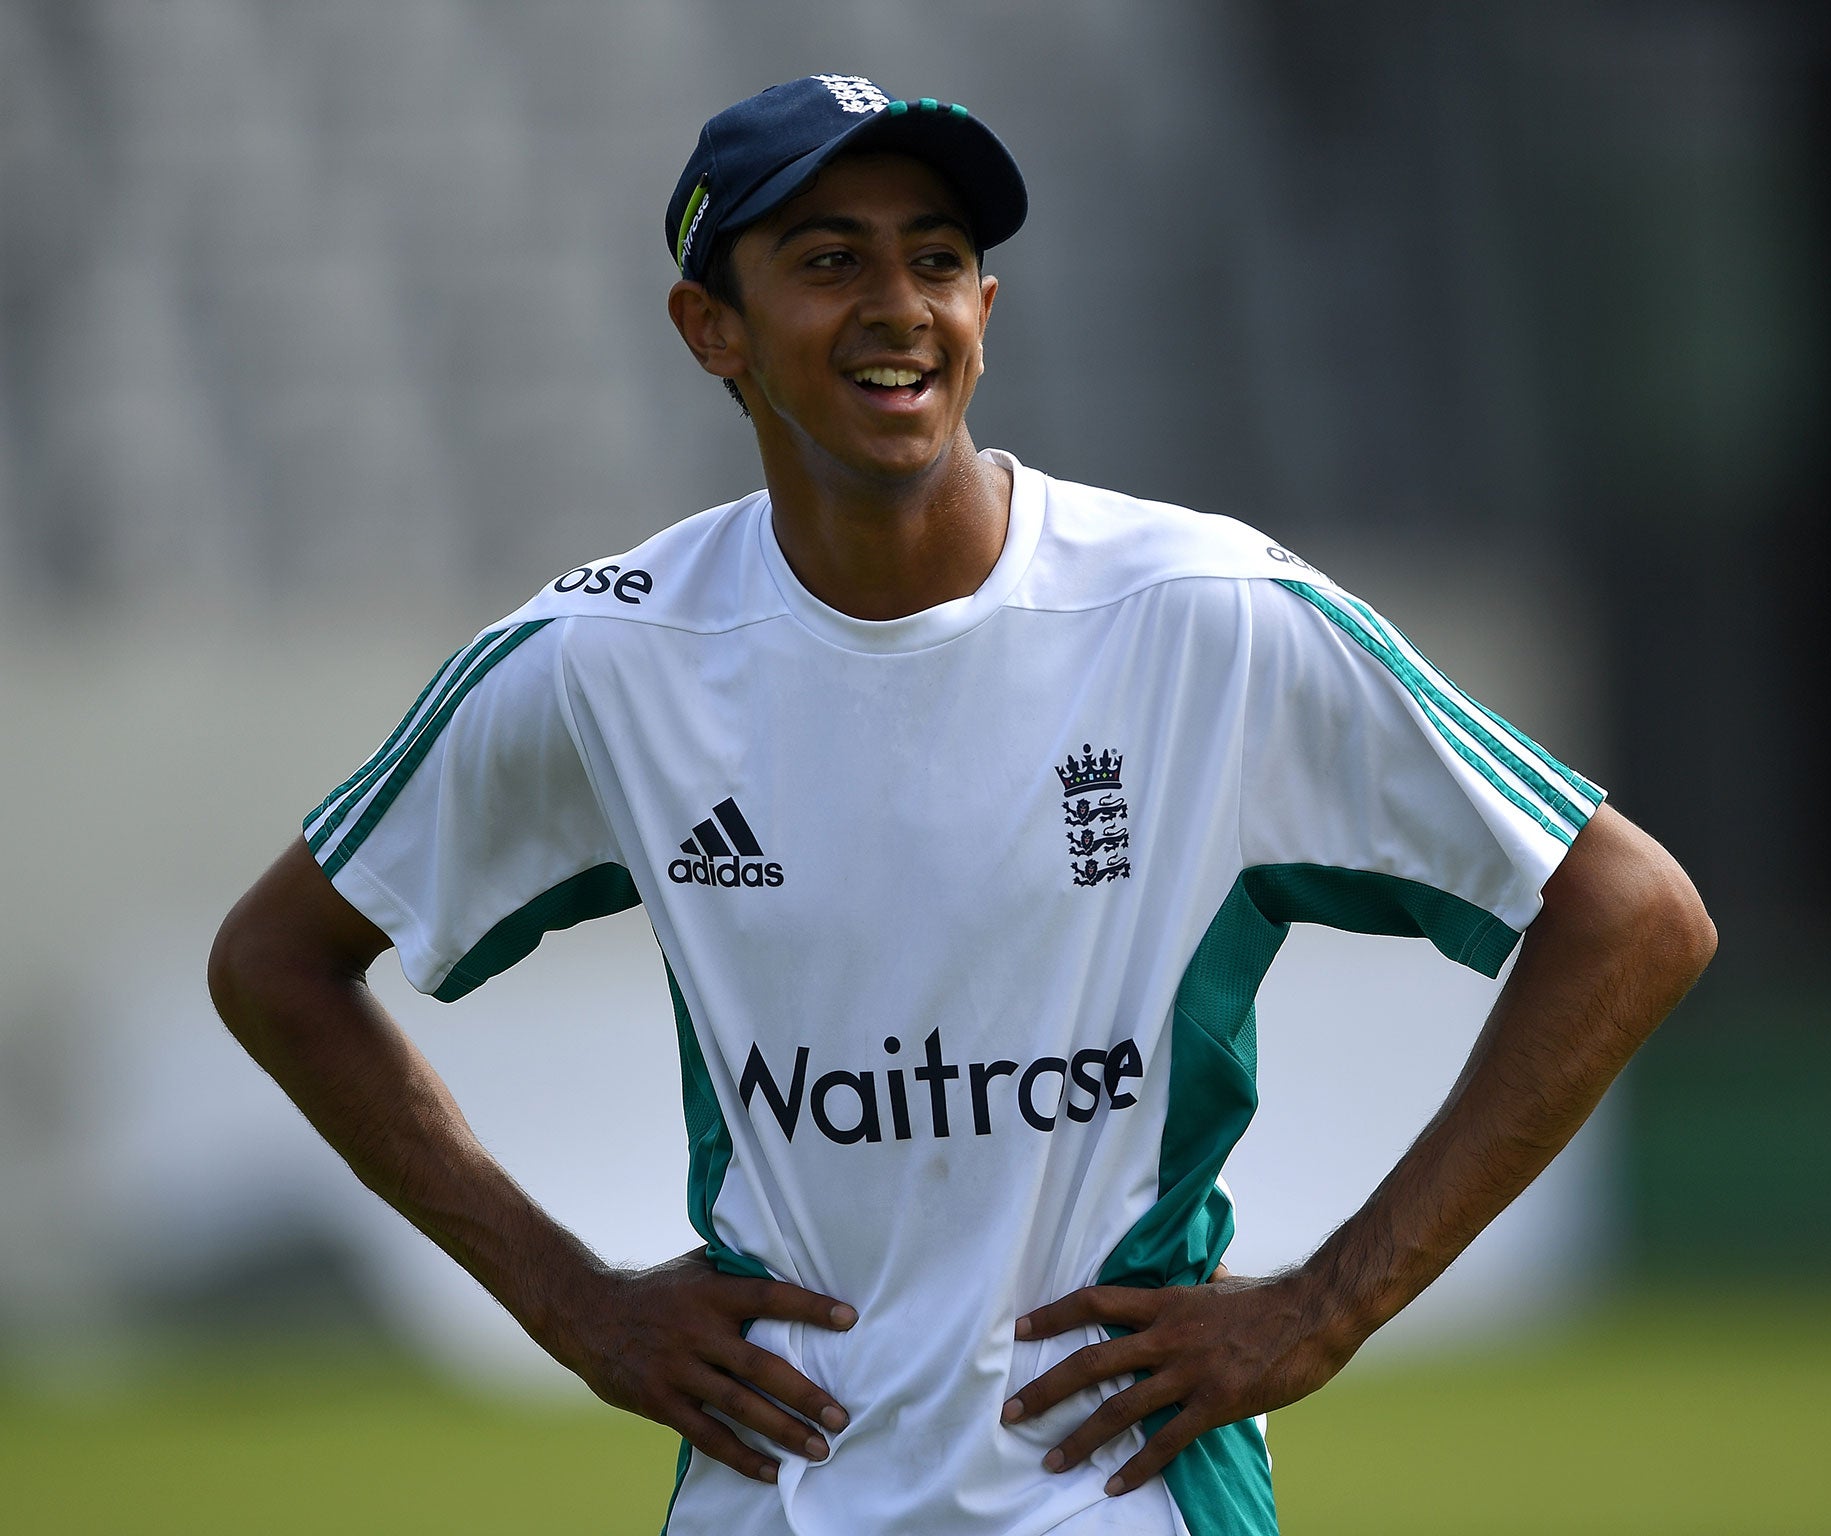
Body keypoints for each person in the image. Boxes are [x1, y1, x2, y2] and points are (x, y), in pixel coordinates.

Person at [208, 73, 1716, 1536]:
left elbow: (1634, 915)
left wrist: (1329, 1307)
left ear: (986, 317)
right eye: (827, 261)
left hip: (1122, 1496)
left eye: (940, 260)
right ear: (709, 330)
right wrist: (571, 1302)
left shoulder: (1202, 615)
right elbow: (277, 962)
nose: (899, 304)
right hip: (773, 1490)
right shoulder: (609, 661)